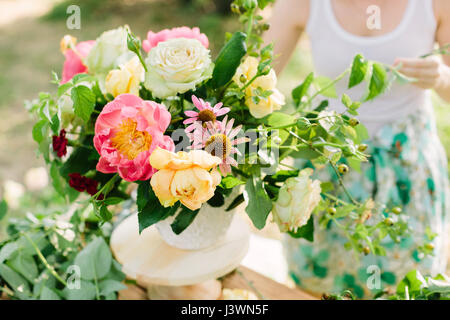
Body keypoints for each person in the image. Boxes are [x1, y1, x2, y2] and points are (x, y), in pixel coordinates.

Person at [263, 0, 450, 298]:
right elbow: (253, 80)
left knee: (407, 285)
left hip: (407, 170)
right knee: (318, 281)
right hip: (329, 167)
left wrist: (440, 76)